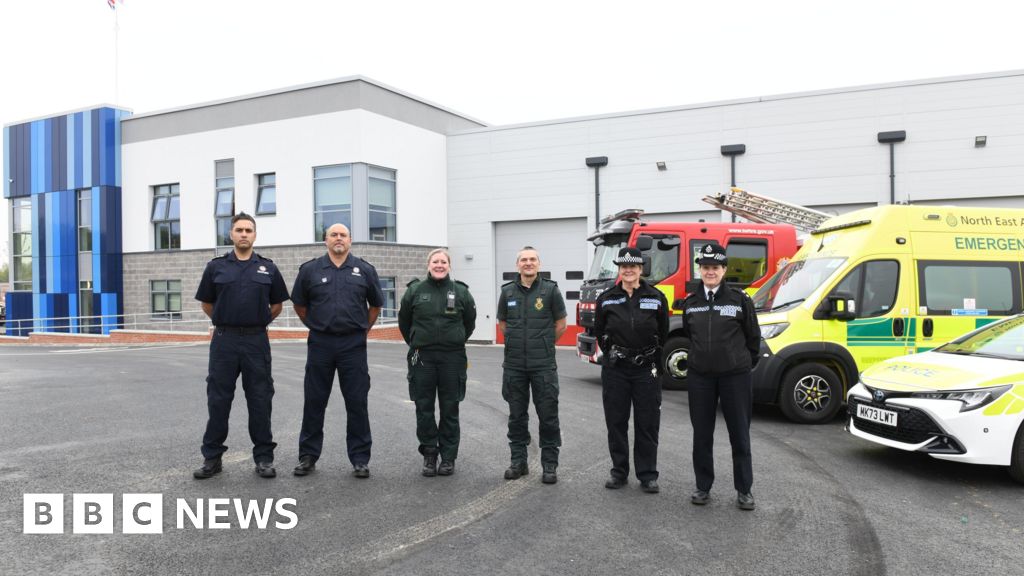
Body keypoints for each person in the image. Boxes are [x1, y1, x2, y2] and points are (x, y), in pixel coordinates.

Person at [193, 213, 289, 480]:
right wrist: (225, 321)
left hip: (257, 340)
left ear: (255, 235)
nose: (244, 234)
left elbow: (278, 304)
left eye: (248, 230)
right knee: (218, 400)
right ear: (231, 235)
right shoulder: (216, 267)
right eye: (239, 230)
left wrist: (257, 322)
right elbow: (206, 303)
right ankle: (212, 458)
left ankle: (264, 458)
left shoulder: (268, 268)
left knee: (260, 399)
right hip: (224, 340)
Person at [291, 223, 383, 479]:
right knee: (314, 400)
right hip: (320, 344)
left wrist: (362, 329)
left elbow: (375, 305)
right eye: (334, 235)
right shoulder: (310, 270)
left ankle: (360, 459)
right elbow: (300, 304)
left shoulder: (364, 270)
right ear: (326, 240)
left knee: (357, 402)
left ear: (350, 241)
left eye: (343, 235)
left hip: (353, 345)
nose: (338, 238)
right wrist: (315, 325)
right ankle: (308, 456)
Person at [680, 242, 761, 510]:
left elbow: (753, 338)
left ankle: (744, 490)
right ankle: (703, 487)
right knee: (702, 434)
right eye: (705, 267)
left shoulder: (740, 300)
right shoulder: (691, 303)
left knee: (739, 433)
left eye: (715, 267)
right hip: (700, 377)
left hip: (734, 377)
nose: (710, 272)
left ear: (724, 269)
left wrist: (741, 363)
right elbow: (690, 335)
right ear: (700, 270)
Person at [593, 247, 669, 493]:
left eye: (633, 266)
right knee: (616, 422)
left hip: (646, 369)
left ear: (640, 269)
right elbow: (600, 332)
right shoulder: (606, 298)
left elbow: (664, 333)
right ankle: (619, 472)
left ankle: (647, 474)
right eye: (624, 266)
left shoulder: (656, 297)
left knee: (647, 423)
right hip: (616, 369)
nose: (629, 270)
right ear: (619, 269)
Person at [398, 248, 477, 477]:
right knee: (424, 407)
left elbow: (469, 324)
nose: (439, 265)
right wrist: (416, 341)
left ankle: (448, 457)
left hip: (452, 357)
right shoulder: (414, 290)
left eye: (443, 261)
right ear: (428, 265)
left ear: (449, 265)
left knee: (450, 407)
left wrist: (456, 339)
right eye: (435, 261)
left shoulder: (461, 292)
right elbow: (405, 323)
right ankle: (430, 454)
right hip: (421, 356)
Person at [497, 246, 567, 484]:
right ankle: (518, 462)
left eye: (532, 259)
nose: (528, 263)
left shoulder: (550, 290)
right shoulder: (507, 292)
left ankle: (549, 465)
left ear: (539, 263)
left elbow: (561, 324)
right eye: (524, 260)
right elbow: (503, 323)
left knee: (548, 416)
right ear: (518, 265)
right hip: (514, 365)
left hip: (543, 366)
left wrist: (544, 343)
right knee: (516, 416)